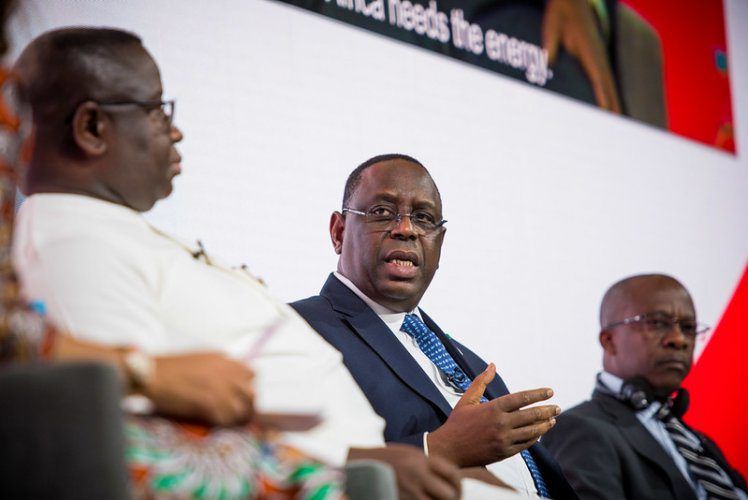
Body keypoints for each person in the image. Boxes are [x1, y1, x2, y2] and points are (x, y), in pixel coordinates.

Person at [11, 27, 463, 499]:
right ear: (92, 128)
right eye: (159, 111)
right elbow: (127, 437)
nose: (175, 131)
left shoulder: (113, 230)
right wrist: (355, 467)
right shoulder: (68, 239)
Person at [292, 153, 577, 498]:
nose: (406, 229)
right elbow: (286, 463)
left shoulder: (469, 360)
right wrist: (438, 449)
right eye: (382, 211)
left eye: (424, 218)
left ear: (439, 243)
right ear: (338, 232)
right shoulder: (297, 329)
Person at [542, 274, 747, 500]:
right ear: (609, 340)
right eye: (657, 323)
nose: (679, 339)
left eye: (688, 327)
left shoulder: (697, 441)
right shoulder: (580, 428)